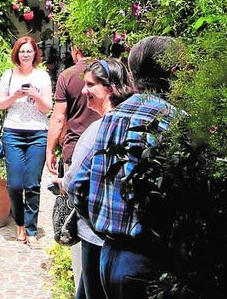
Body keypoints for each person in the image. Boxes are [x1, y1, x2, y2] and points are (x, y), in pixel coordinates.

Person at [68, 36, 181, 299]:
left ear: (133, 75)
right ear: (171, 72)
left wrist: (103, 226)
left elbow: (76, 185)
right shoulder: (173, 119)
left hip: (110, 254)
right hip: (146, 258)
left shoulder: (111, 119)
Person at [59, 57, 134, 299]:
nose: (84, 91)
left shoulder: (99, 130)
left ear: (109, 88)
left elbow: (74, 183)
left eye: (91, 85)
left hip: (96, 232)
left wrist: (62, 185)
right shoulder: (135, 122)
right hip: (126, 233)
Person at [46, 42, 99, 284]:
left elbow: (59, 117)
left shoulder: (67, 76)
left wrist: (49, 149)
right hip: (105, 149)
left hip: (76, 150)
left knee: (76, 213)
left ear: (76, 51)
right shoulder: (108, 73)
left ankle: (79, 276)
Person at [0, 35, 53, 243]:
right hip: (13, 132)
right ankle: (19, 222)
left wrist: (36, 95)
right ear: (16, 54)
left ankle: (31, 229)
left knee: (32, 183)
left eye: (29, 51)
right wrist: (15, 96)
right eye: (22, 51)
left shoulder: (43, 76)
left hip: (38, 133)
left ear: (35, 53)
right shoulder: (9, 75)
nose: (26, 54)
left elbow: (47, 109)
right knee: (15, 184)